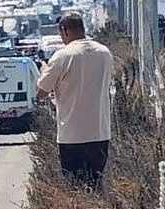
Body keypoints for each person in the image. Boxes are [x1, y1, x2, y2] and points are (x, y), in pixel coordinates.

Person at [36, 12, 113, 190]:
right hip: (100, 132)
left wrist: (44, 71)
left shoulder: (62, 56)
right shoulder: (104, 53)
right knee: (96, 185)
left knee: (74, 188)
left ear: (64, 30)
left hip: (72, 135)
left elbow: (41, 92)